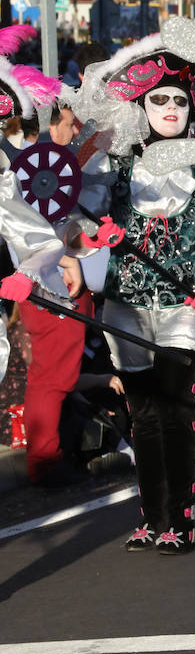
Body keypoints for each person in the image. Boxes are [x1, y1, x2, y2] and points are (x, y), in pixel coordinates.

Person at [71, 36, 195, 554]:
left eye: (178, 100)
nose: (170, 108)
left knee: (175, 406)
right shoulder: (113, 165)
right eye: (159, 100)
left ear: (193, 107)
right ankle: (152, 517)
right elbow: (76, 229)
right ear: (141, 107)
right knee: (143, 414)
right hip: (125, 304)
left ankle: (180, 519)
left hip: (185, 306)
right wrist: (93, 232)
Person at [0, 27, 89, 485]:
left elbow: (50, 231)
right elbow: (39, 233)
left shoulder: (28, 164)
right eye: (71, 122)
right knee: (51, 378)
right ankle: (45, 462)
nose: (77, 131)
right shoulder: (29, 164)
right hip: (44, 288)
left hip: (47, 282)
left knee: (58, 374)